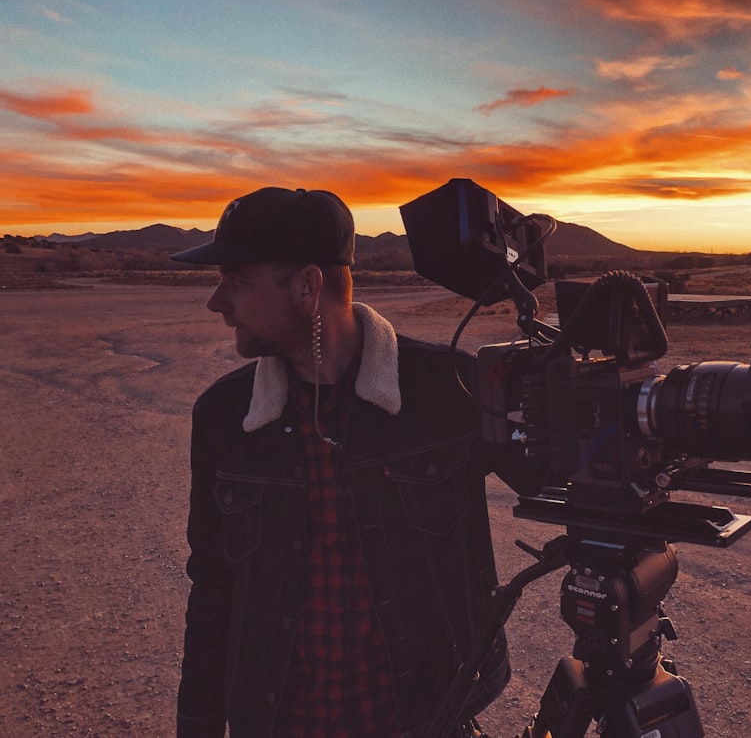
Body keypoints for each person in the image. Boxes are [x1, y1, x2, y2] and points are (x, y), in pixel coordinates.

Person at [170, 187, 511, 738]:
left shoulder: (448, 389)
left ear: (307, 286)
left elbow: (561, 482)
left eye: (235, 281)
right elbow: (212, 589)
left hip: (424, 721)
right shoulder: (223, 418)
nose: (217, 302)